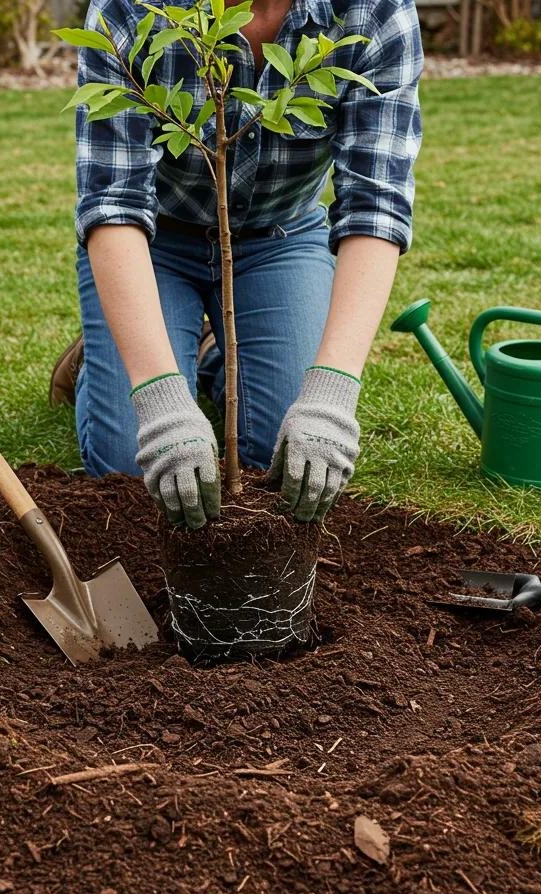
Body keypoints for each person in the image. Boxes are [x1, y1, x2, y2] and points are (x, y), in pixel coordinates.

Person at [50, 0, 423, 528]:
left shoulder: (372, 10)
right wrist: (158, 399)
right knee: (131, 473)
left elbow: (374, 205)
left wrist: (331, 393)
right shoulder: (132, 9)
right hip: (152, 241)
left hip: (280, 239)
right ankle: (110, 353)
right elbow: (113, 205)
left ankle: (208, 352)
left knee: (283, 461)